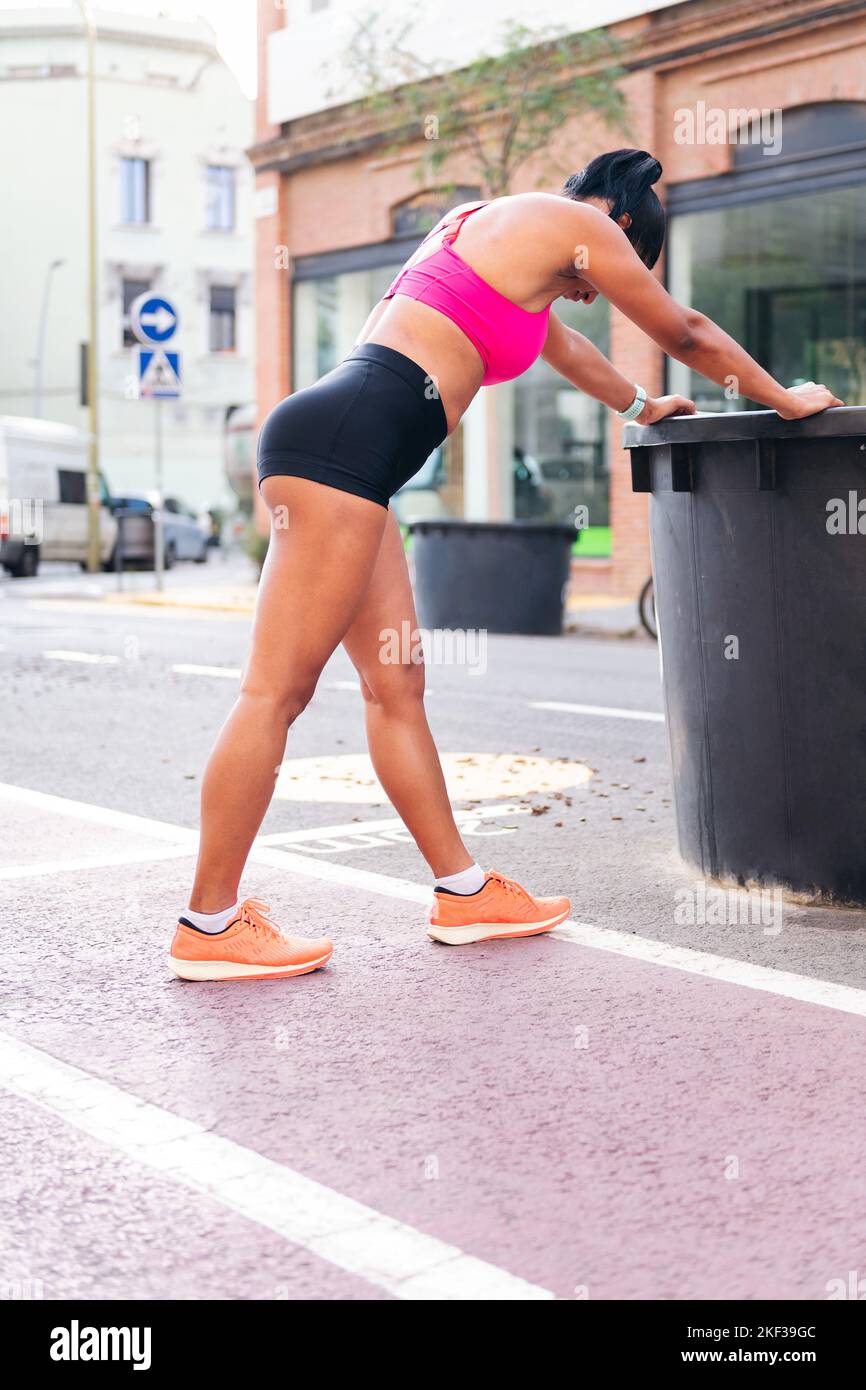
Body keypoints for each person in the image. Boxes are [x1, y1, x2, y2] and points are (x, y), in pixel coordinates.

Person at [169, 148, 843, 981]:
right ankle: (208, 923)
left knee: (396, 688)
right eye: (620, 268)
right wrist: (785, 397)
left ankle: (465, 893)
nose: (597, 292)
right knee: (276, 693)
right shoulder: (576, 225)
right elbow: (683, 330)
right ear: (621, 224)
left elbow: (567, 354)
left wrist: (641, 405)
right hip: (340, 453)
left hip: (353, 458)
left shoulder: (500, 235)